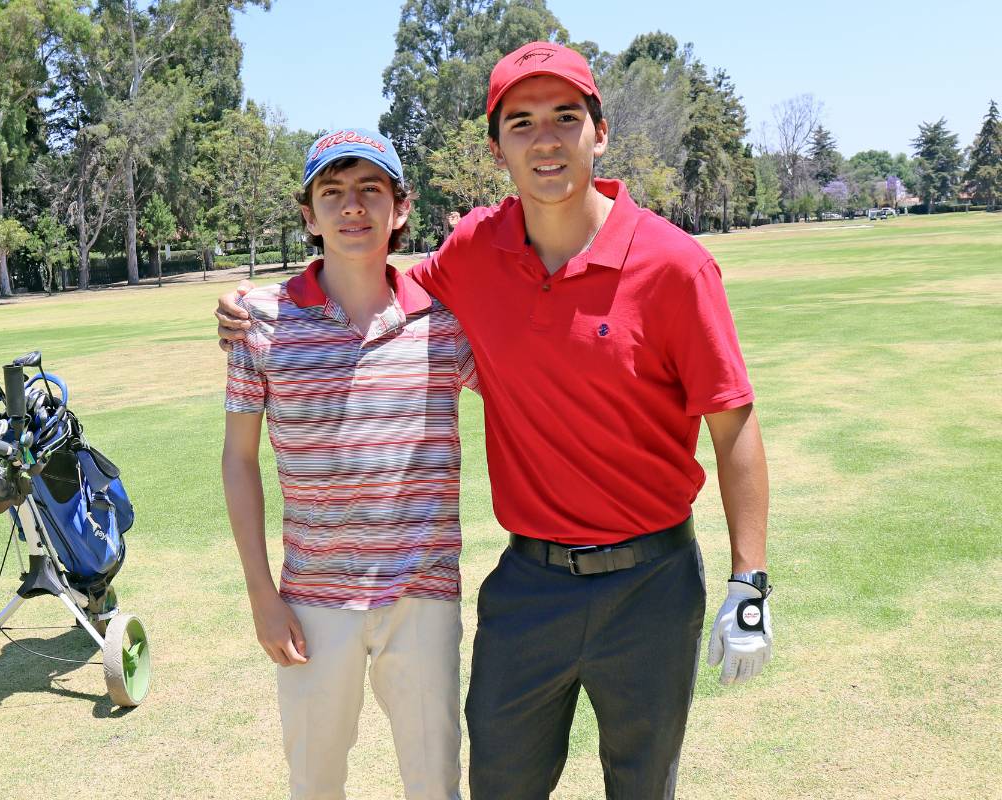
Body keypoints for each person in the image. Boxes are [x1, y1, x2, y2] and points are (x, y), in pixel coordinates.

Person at [217, 42, 772, 800]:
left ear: (599, 132)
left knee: (642, 786)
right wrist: (264, 306)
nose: (545, 140)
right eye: (522, 123)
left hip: (653, 579)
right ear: (497, 146)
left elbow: (733, 422)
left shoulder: (675, 265)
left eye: (565, 118)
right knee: (498, 784)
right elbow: (377, 286)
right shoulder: (474, 252)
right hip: (527, 584)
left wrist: (751, 579)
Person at [221, 127, 477, 800]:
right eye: (331, 192)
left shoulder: (445, 323)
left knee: (435, 785)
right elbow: (238, 461)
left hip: (422, 595)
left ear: (401, 207)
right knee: (314, 784)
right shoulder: (260, 323)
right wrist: (261, 596)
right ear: (309, 214)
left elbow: (533, 377)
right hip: (309, 602)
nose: (352, 207)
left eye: (371, 189)